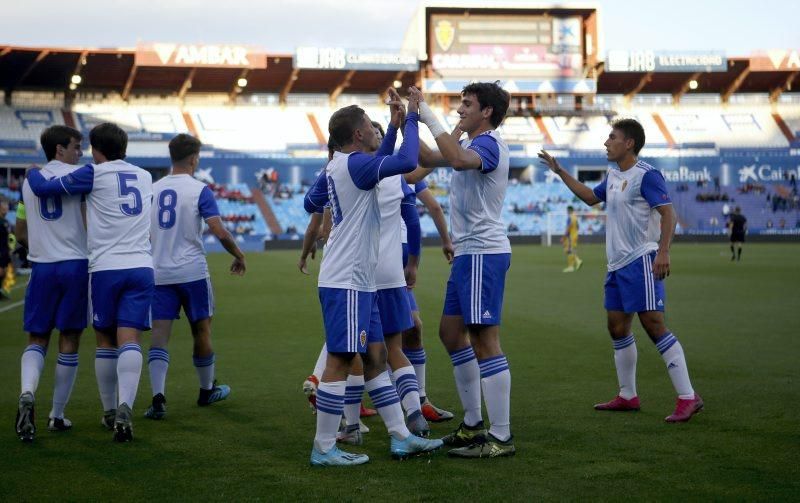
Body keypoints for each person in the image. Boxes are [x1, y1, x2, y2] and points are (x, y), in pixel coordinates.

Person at [302, 89, 442, 466]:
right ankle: (325, 446)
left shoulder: (338, 166)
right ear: (359, 135)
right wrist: (411, 116)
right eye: (370, 124)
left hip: (358, 279)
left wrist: (394, 126)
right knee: (341, 360)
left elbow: (310, 203)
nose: (373, 128)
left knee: (375, 357)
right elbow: (408, 160)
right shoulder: (357, 167)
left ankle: (401, 436)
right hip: (347, 279)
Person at [538, 118, 703, 423]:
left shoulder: (647, 175)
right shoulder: (613, 177)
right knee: (617, 327)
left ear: (629, 143)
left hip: (641, 259)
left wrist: (663, 251)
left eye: (612, 137)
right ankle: (628, 395)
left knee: (654, 326)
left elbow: (669, 213)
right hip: (616, 265)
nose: (606, 142)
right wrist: (560, 171)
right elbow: (590, 198)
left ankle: (688, 396)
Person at [27, 122, 155, 441]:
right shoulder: (145, 175)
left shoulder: (93, 174)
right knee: (130, 339)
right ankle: (126, 405)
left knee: (105, 341)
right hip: (141, 265)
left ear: (97, 150)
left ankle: (111, 410)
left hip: (106, 268)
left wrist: (31, 171)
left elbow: (44, 189)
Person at [411, 81, 515, 458]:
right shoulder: (471, 143)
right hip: (471, 254)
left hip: (483, 253)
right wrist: (405, 120)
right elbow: (423, 158)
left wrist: (426, 113)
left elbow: (453, 159)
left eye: (467, 104)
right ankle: (472, 425)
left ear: (486, 112)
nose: (460, 109)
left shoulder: (487, 143)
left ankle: (500, 436)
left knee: (485, 340)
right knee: (451, 333)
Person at [144, 134, 245, 420]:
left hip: (159, 272)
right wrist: (239, 254)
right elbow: (219, 230)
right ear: (193, 158)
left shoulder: (153, 189)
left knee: (160, 338)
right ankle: (206, 390)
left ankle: (158, 397)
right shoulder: (200, 190)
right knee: (202, 331)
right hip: (192, 273)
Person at [14, 126, 88, 442]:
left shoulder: (29, 185)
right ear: (60, 149)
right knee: (69, 339)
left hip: (42, 268)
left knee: (37, 337)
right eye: (76, 146)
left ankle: (28, 392)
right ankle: (56, 415)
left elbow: (20, 230)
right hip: (74, 265)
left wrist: (42, 245)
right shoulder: (78, 179)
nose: (80, 152)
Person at [400, 177, 455, 423]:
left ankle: (420, 400)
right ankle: (339, 397)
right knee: (369, 334)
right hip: (377, 259)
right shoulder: (374, 167)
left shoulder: (407, 170)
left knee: (413, 327)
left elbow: (433, 206)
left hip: (398, 265)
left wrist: (446, 240)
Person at [562, 205, 583, 273]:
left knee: (569, 250)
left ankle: (571, 266)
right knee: (571, 250)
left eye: (567, 210)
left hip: (570, 236)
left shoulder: (570, 218)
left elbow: (568, 228)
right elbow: (578, 226)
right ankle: (577, 261)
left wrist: (564, 237)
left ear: (568, 210)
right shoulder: (575, 217)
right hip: (575, 235)